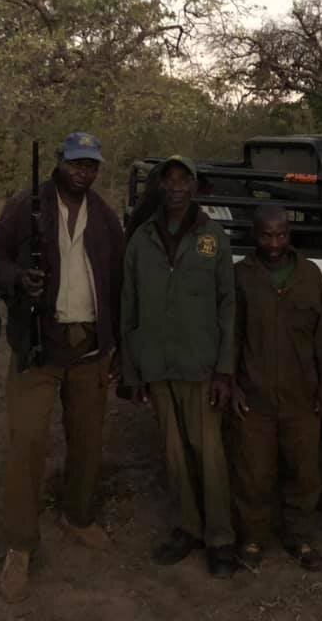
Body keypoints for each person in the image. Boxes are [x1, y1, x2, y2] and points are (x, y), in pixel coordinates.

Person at [0, 132, 125, 602]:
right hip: (38, 347)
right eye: (76, 163)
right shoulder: (26, 204)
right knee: (27, 444)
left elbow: (119, 282)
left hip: (89, 347)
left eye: (91, 165)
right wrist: (16, 279)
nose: (83, 172)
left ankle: (77, 515)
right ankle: (20, 545)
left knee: (88, 441)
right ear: (60, 163)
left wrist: (116, 345)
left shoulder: (105, 217)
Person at [121, 155, 238, 579]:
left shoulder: (213, 237)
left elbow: (228, 306)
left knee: (209, 454)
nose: (175, 188)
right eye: (167, 180)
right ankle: (188, 528)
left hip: (201, 364)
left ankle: (221, 538)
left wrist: (224, 369)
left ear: (194, 186)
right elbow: (128, 308)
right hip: (157, 365)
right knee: (173, 454)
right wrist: (132, 371)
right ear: (159, 187)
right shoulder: (141, 239)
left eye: (183, 180)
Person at [229, 206, 322, 572]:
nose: (273, 243)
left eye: (281, 235)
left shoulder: (308, 275)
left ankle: (300, 537)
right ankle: (254, 537)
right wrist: (230, 381)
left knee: (304, 472)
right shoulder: (241, 276)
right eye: (266, 235)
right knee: (253, 473)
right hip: (255, 394)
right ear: (254, 234)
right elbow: (231, 334)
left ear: (290, 234)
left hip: (302, 395)